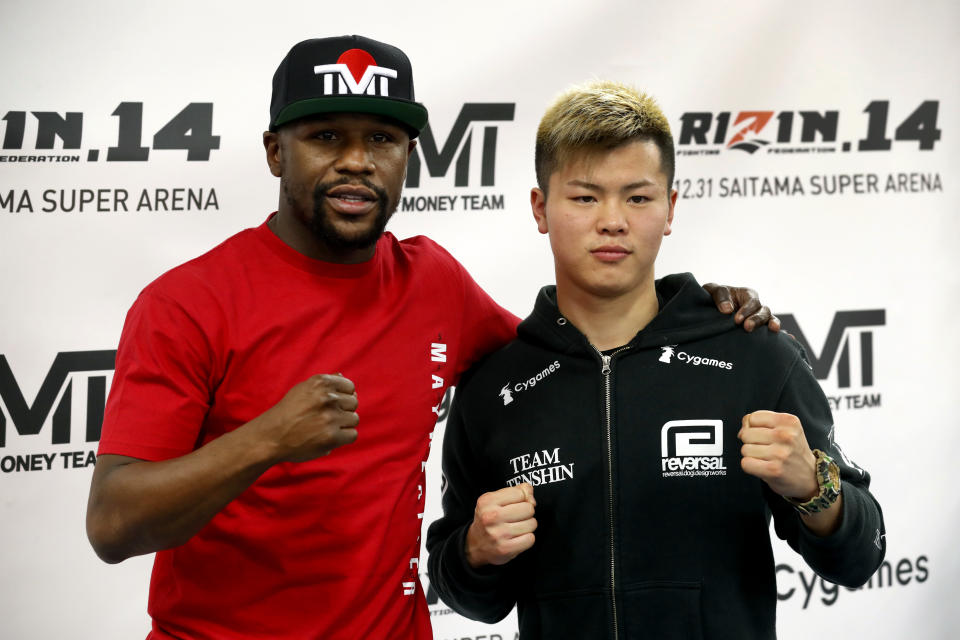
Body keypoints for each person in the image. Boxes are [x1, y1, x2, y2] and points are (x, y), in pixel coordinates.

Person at [85, 37, 777, 640]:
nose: (356, 161)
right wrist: (267, 439)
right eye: (326, 136)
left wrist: (697, 310)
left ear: (408, 156)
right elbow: (114, 524)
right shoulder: (187, 303)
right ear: (274, 151)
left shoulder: (433, 282)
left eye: (381, 140)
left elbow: (572, 357)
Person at [426, 81, 886, 640]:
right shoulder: (494, 388)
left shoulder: (753, 353)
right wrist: (476, 551)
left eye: (637, 197)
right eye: (585, 197)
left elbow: (860, 557)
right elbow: (464, 595)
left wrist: (816, 487)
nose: (613, 220)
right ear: (540, 208)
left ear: (670, 209)